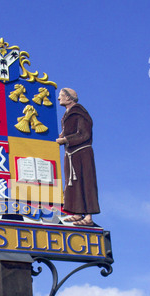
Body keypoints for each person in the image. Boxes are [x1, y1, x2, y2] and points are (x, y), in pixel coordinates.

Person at [56, 88, 100, 226]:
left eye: (61, 96)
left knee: (85, 183)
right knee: (72, 183)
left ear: (69, 98)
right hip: (71, 153)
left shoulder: (80, 113)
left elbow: (84, 134)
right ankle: (76, 213)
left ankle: (88, 216)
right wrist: (63, 136)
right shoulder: (67, 114)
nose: (58, 98)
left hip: (82, 153)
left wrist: (65, 140)